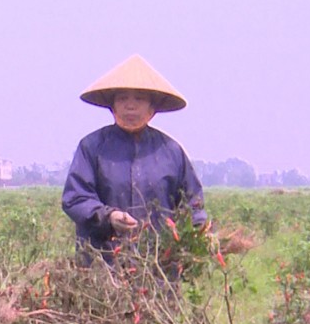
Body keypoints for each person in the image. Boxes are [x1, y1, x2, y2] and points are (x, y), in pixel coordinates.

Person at [62, 54, 207, 268]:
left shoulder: (171, 151)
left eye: (139, 99)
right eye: (123, 99)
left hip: (158, 270)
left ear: (152, 108)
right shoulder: (92, 147)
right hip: (102, 266)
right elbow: (75, 199)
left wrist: (201, 239)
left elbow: (193, 206)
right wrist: (109, 217)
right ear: (112, 106)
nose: (130, 106)